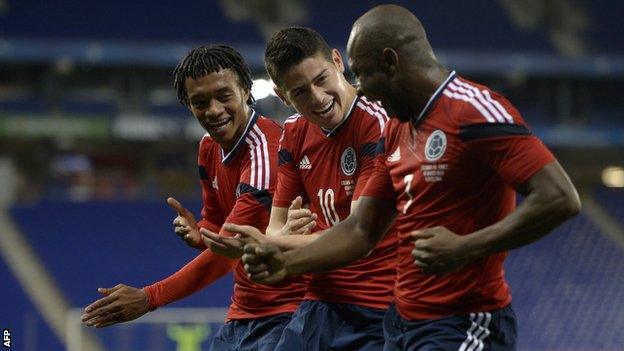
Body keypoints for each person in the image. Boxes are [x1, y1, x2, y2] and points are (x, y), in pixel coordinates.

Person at [229, 5, 581, 351]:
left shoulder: (473, 110)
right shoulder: (396, 127)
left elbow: (559, 198)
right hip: (402, 323)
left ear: (391, 63)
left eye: (364, 74)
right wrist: (285, 262)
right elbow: (360, 230)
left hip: (464, 319)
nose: (361, 89)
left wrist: (466, 247)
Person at [80, 45, 308, 351]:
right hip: (244, 312)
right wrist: (201, 233)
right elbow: (218, 223)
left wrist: (150, 297)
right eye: (200, 102)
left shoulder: (265, 155)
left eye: (224, 96)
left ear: (245, 89)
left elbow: (227, 253)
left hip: (287, 313)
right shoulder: (208, 147)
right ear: (188, 105)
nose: (213, 110)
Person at [204, 27, 398, 350]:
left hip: (378, 307)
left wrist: (279, 244)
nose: (318, 97)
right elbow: (276, 229)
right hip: (319, 303)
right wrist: (275, 240)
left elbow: (358, 235)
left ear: (338, 61)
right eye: (301, 92)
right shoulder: (294, 133)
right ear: (283, 97)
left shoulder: (376, 125)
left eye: (321, 79)